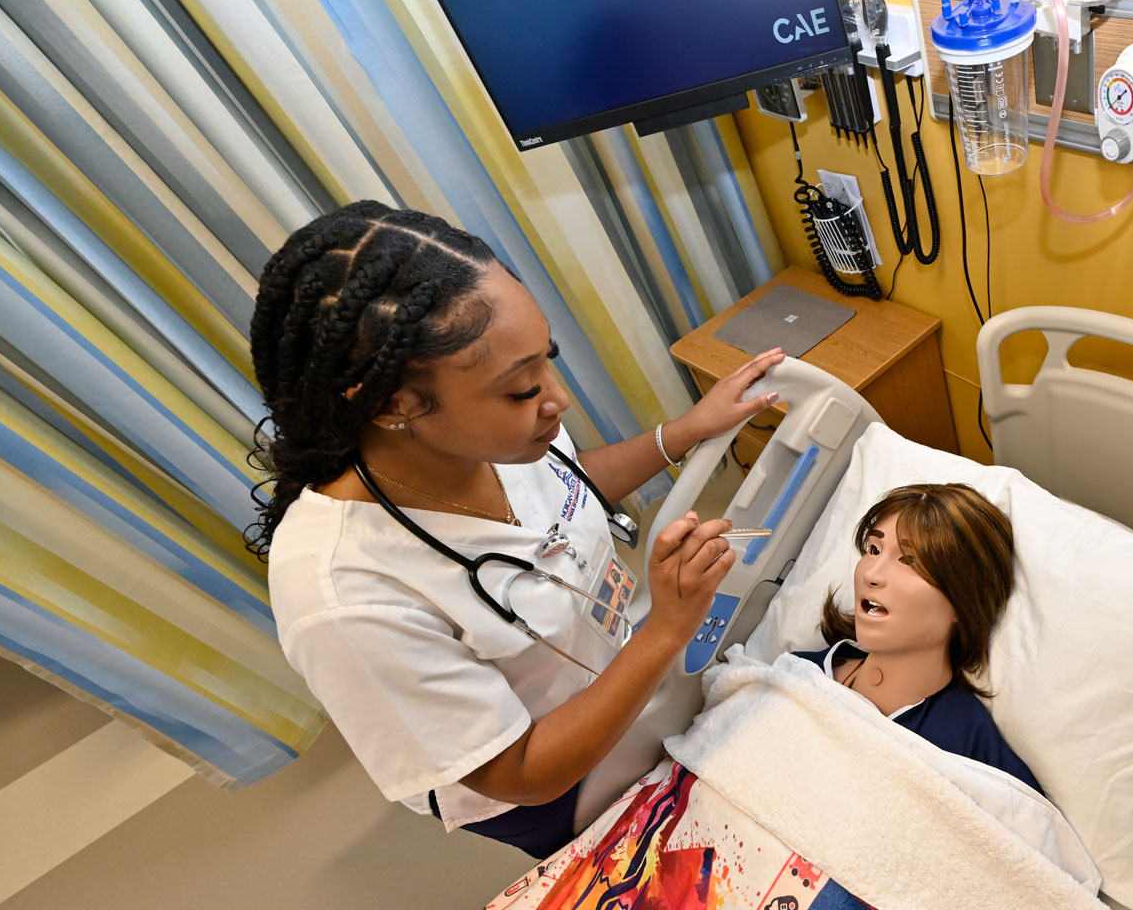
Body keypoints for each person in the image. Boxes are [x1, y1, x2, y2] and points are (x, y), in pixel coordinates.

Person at [250, 200, 772, 855]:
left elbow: (566, 489)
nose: (558, 399)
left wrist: (685, 433)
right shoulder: (345, 599)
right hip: (552, 783)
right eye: (522, 389)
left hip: (627, 674)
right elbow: (520, 774)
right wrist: (667, 629)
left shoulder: (503, 441)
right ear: (394, 407)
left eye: (545, 362)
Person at [794, 483, 1039, 793]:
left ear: (964, 600)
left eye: (909, 561)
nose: (873, 574)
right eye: (874, 550)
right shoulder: (796, 675)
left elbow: (1030, 835)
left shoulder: (969, 746)